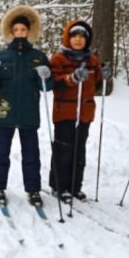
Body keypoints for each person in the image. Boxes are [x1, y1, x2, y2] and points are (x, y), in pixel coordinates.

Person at [0, 5, 53, 207]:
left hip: (29, 112)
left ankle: (33, 190)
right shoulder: (1, 56)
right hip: (5, 111)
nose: (20, 34)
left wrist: (45, 76)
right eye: (16, 30)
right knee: (0, 152)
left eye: (23, 30)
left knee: (31, 153)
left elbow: (48, 86)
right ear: (10, 32)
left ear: (29, 31)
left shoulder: (38, 57)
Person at [48, 20, 111, 202]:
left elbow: (97, 84)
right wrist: (72, 78)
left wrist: (104, 75)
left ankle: (76, 186)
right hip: (65, 111)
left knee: (79, 150)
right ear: (68, 38)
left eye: (82, 37)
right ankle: (59, 186)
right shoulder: (59, 59)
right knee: (63, 150)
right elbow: (54, 82)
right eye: (74, 36)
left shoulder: (91, 60)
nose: (78, 40)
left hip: (84, 111)